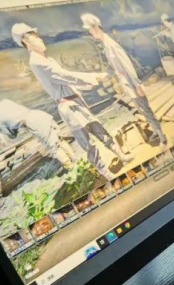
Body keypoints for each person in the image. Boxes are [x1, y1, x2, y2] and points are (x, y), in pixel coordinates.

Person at [11, 22, 133, 181]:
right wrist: (93, 77)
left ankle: (121, 156)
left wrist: (87, 84)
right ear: (26, 41)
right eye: (36, 37)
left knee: (99, 130)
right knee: (87, 143)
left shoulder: (46, 59)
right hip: (69, 107)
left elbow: (66, 79)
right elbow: (64, 76)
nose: (40, 39)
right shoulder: (37, 62)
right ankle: (106, 173)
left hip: (75, 101)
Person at [81, 13, 168, 147]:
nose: (90, 33)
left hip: (132, 84)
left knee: (146, 109)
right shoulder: (106, 44)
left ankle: (162, 137)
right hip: (127, 84)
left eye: (90, 29)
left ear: (96, 27)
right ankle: (156, 131)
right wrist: (103, 75)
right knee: (142, 110)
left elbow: (127, 65)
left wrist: (137, 84)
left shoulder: (111, 44)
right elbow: (112, 66)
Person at [0, 99, 77, 168]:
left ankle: (71, 168)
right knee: (59, 140)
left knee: (54, 148)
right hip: (39, 115)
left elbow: (12, 136)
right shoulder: (4, 102)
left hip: (33, 123)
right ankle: (75, 160)